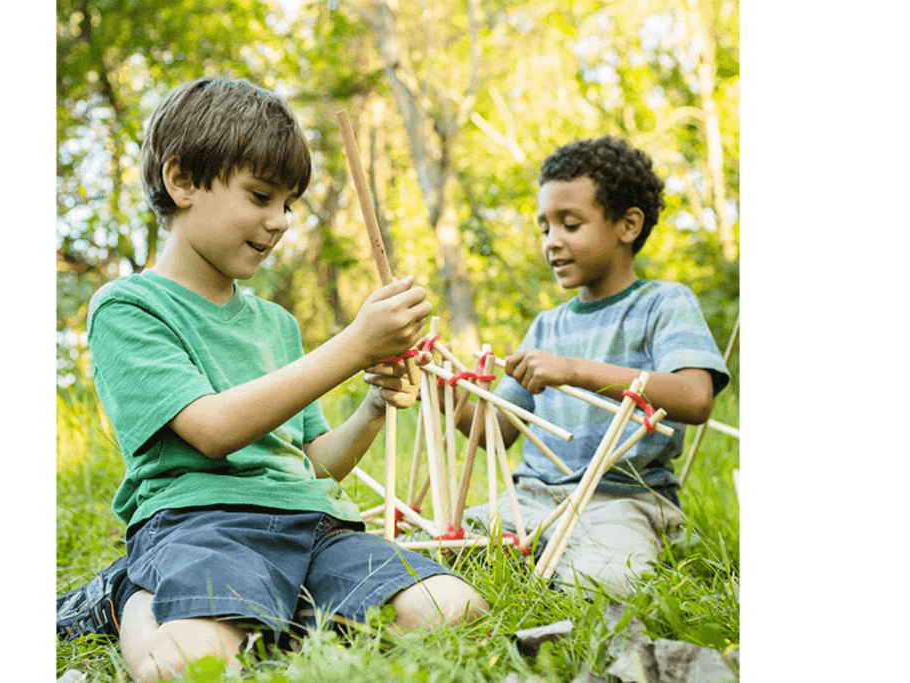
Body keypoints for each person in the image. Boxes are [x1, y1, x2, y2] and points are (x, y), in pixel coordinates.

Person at [56, 76, 488, 683]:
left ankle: (270, 614)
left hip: (315, 527)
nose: (280, 221)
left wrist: (372, 404)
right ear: (181, 181)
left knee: (454, 611)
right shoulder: (129, 307)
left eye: (288, 204)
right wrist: (354, 345)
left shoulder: (277, 324)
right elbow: (212, 430)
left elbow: (315, 464)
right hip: (203, 525)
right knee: (189, 666)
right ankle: (130, 594)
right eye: (261, 196)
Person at [456, 136, 730, 596]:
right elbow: (496, 432)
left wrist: (575, 370)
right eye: (545, 228)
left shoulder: (664, 304)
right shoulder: (546, 327)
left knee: (605, 585)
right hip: (532, 499)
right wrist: (445, 395)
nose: (552, 241)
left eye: (570, 224)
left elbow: (695, 397)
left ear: (628, 225)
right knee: (444, 550)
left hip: (623, 501)